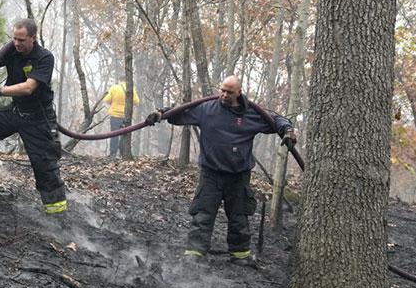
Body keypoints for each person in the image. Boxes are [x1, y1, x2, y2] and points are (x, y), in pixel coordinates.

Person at [145, 75, 296, 264]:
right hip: (211, 173)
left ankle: (240, 255)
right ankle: (195, 253)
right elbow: (180, 113)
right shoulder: (207, 109)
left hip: (239, 175)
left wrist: (288, 131)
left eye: (229, 92)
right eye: (222, 90)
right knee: (203, 213)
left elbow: (277, 120)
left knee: (239, 216)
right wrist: (160, 113)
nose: (224, 95)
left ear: (239, 93)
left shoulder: (252, 114)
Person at [0, 18, 66, 215]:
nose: (17, 43)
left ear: (33, 38)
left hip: (38, 118)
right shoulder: (12, 50)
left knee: (44, 163)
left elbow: (28, 88)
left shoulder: (44, 58)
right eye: (14, 38)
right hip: (16, 111)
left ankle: (56, 213)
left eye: (21, 40)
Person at [102, 76, 140, 158]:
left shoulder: (114, 88)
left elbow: (106, 100)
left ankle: (113, 153)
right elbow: (137, 101)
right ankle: (123, 153)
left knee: (114, 134)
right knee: (125, 135)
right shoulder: (131, 88)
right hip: (126, 116)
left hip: (115, 115)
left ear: (120, 80)